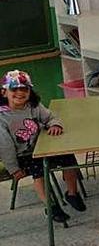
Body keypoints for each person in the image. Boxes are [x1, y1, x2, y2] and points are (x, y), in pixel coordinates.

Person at [0, 70, 86, 222]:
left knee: (68, 157)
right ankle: (51, 206)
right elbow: (5, 147)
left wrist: (55, 125)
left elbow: (51, 117)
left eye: (24, 89)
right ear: (4, 92)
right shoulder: (2, 117)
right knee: (39, 172)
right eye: (14, 89)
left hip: (43, 146)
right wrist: (13, 169)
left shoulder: (34, 106)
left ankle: (72, 194)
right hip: (23, 156)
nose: (20, 93)